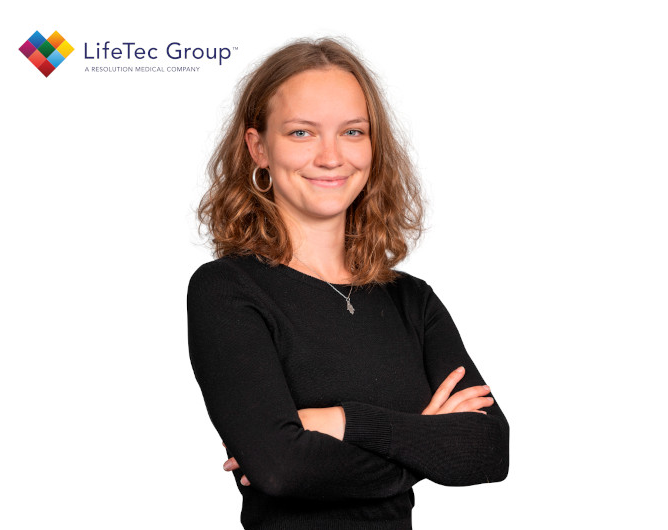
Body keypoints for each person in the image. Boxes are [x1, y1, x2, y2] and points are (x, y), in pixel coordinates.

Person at [187, 37, 509, 530]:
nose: (331, 156)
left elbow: (490, 450)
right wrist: (426, 440)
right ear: (258, 147)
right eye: (301, 132)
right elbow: (281, 468)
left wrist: (339, 421)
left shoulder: (411, 300)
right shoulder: (227, 290)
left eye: (353, 131)